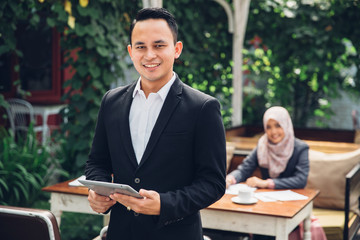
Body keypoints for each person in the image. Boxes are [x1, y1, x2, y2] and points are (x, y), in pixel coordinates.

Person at [85, 7, 226, 240]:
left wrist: (164, 204)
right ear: (131, 51)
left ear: (176, 49)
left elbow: (213, 183)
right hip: (121, 233)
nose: (149, 55)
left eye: (159, 45)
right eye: (141, 47)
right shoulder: (111, 101)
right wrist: (97, 190)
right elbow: (97, 162)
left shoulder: (203, 107)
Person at [226, 106, 309, 190]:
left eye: (278, 126)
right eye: (268, 127)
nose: (273, 132)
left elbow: (301, 180)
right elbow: (244, 170)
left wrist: (266, 183)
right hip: (267, 197)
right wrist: (229, 179)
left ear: (286, 125)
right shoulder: (263, 145)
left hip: (294, 199)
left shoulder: (301, 148)